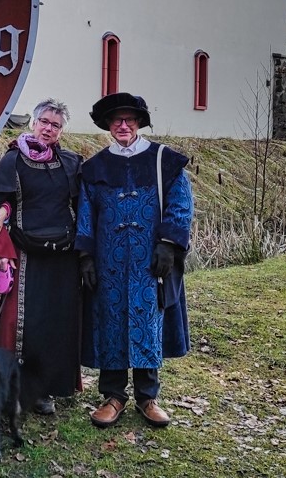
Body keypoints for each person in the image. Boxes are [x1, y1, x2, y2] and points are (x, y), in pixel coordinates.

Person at [76, 92, 194, 429]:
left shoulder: (163, 161)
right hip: (109, 262)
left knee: (147, 322)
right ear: (109, 126)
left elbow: (181, 204)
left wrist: (168, 245)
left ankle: (147, 396)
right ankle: (113, 396)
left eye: (129, 120)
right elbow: (85, 213)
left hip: (149, 261)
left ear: (139, 122)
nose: (123, 125)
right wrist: (86, 256)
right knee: (109, 323)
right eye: (117, 120)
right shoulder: (94, 167)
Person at [0, 98, 83, 416]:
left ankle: (44, 390)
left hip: (63, 256)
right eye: (44, 121)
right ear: (33, 123)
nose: (48, 129)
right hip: (25, 254)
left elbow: (83, 206)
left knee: (54, 323)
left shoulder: (71, 163)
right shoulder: (12, 161)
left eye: (55, 125)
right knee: (21, 323)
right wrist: (2, 253)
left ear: (61, 130)